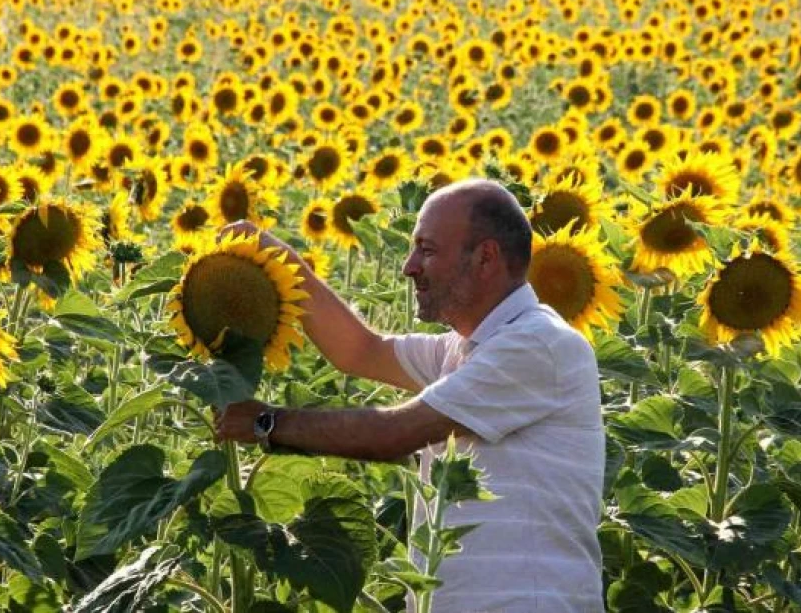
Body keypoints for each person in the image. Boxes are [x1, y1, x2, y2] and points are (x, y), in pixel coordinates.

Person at [216, 178, 605, 612]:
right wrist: (278, 261)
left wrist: (266, 423)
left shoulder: (539, 345)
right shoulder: (465, 351)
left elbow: (396, 433)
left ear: (486, 257)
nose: (409, 266)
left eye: (428, 250)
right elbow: (360, 350)